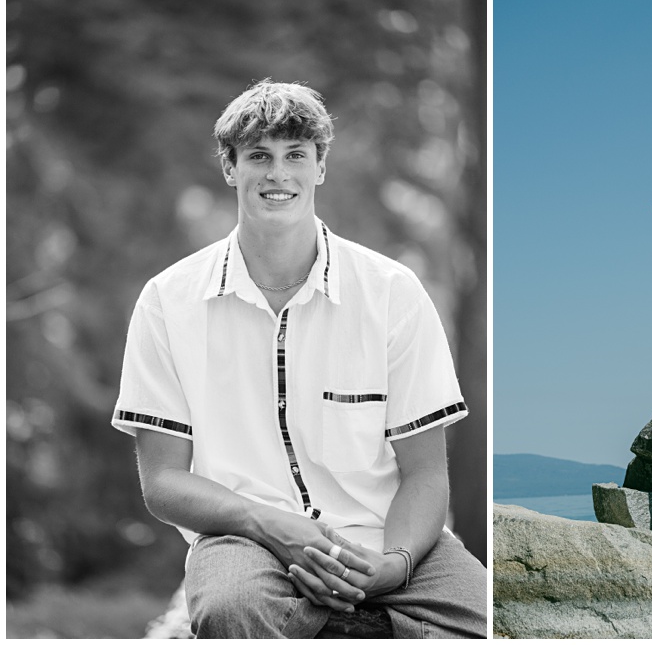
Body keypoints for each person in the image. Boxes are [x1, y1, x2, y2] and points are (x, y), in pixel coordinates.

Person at [111, 80, 487, 638]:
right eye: (258, 156)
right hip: (243, 539)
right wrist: (268, 523)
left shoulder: (392, 292)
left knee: (489, 617)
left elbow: (426, 472)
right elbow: (162, 481)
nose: (277, 174)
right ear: (229, 168)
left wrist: (397, 563)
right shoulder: (168, 300)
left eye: (296, 156)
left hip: (389, 535)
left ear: (320, 167)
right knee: (232, 607)